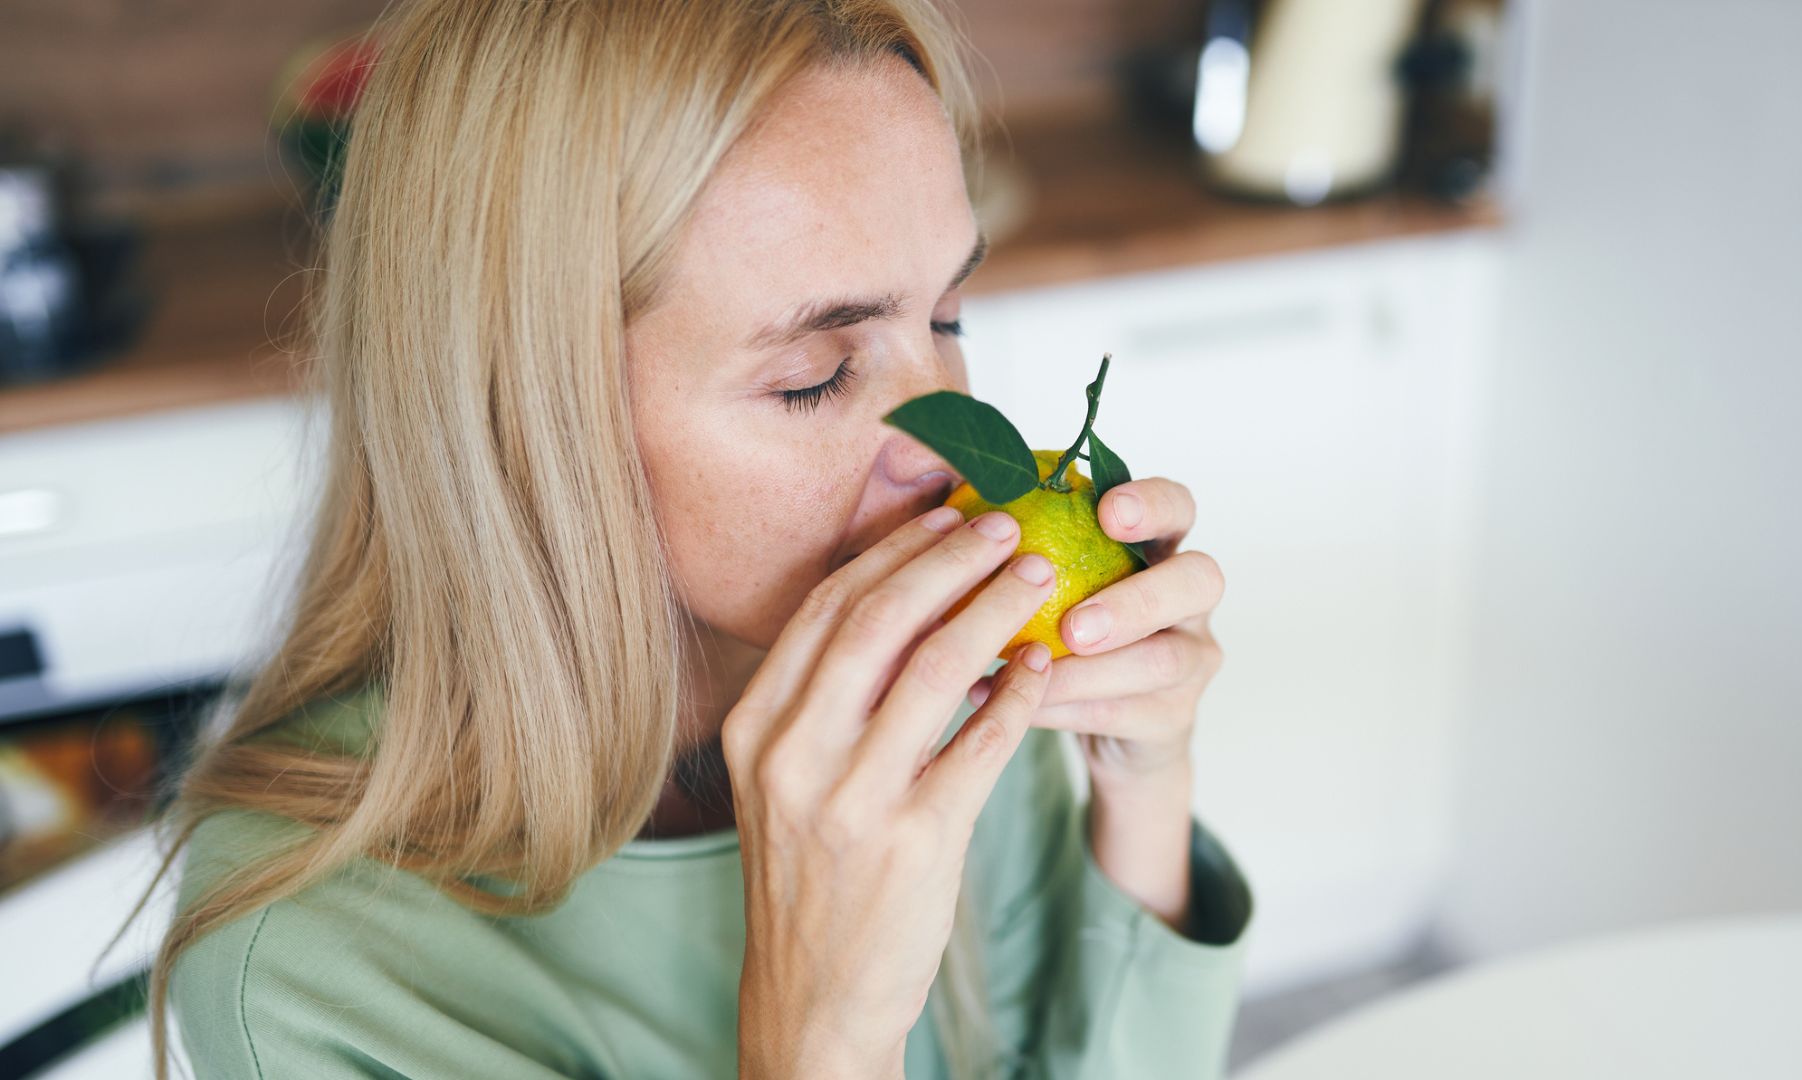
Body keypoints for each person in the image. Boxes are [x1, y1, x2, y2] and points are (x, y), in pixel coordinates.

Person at [136, 1, 1253, 1076]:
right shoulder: (309, 969)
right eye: (815, 377)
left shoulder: (937, 682)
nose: (963, 457)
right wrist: (817, 1045)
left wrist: (1141, 781)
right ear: (527, 418)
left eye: (947, 319)